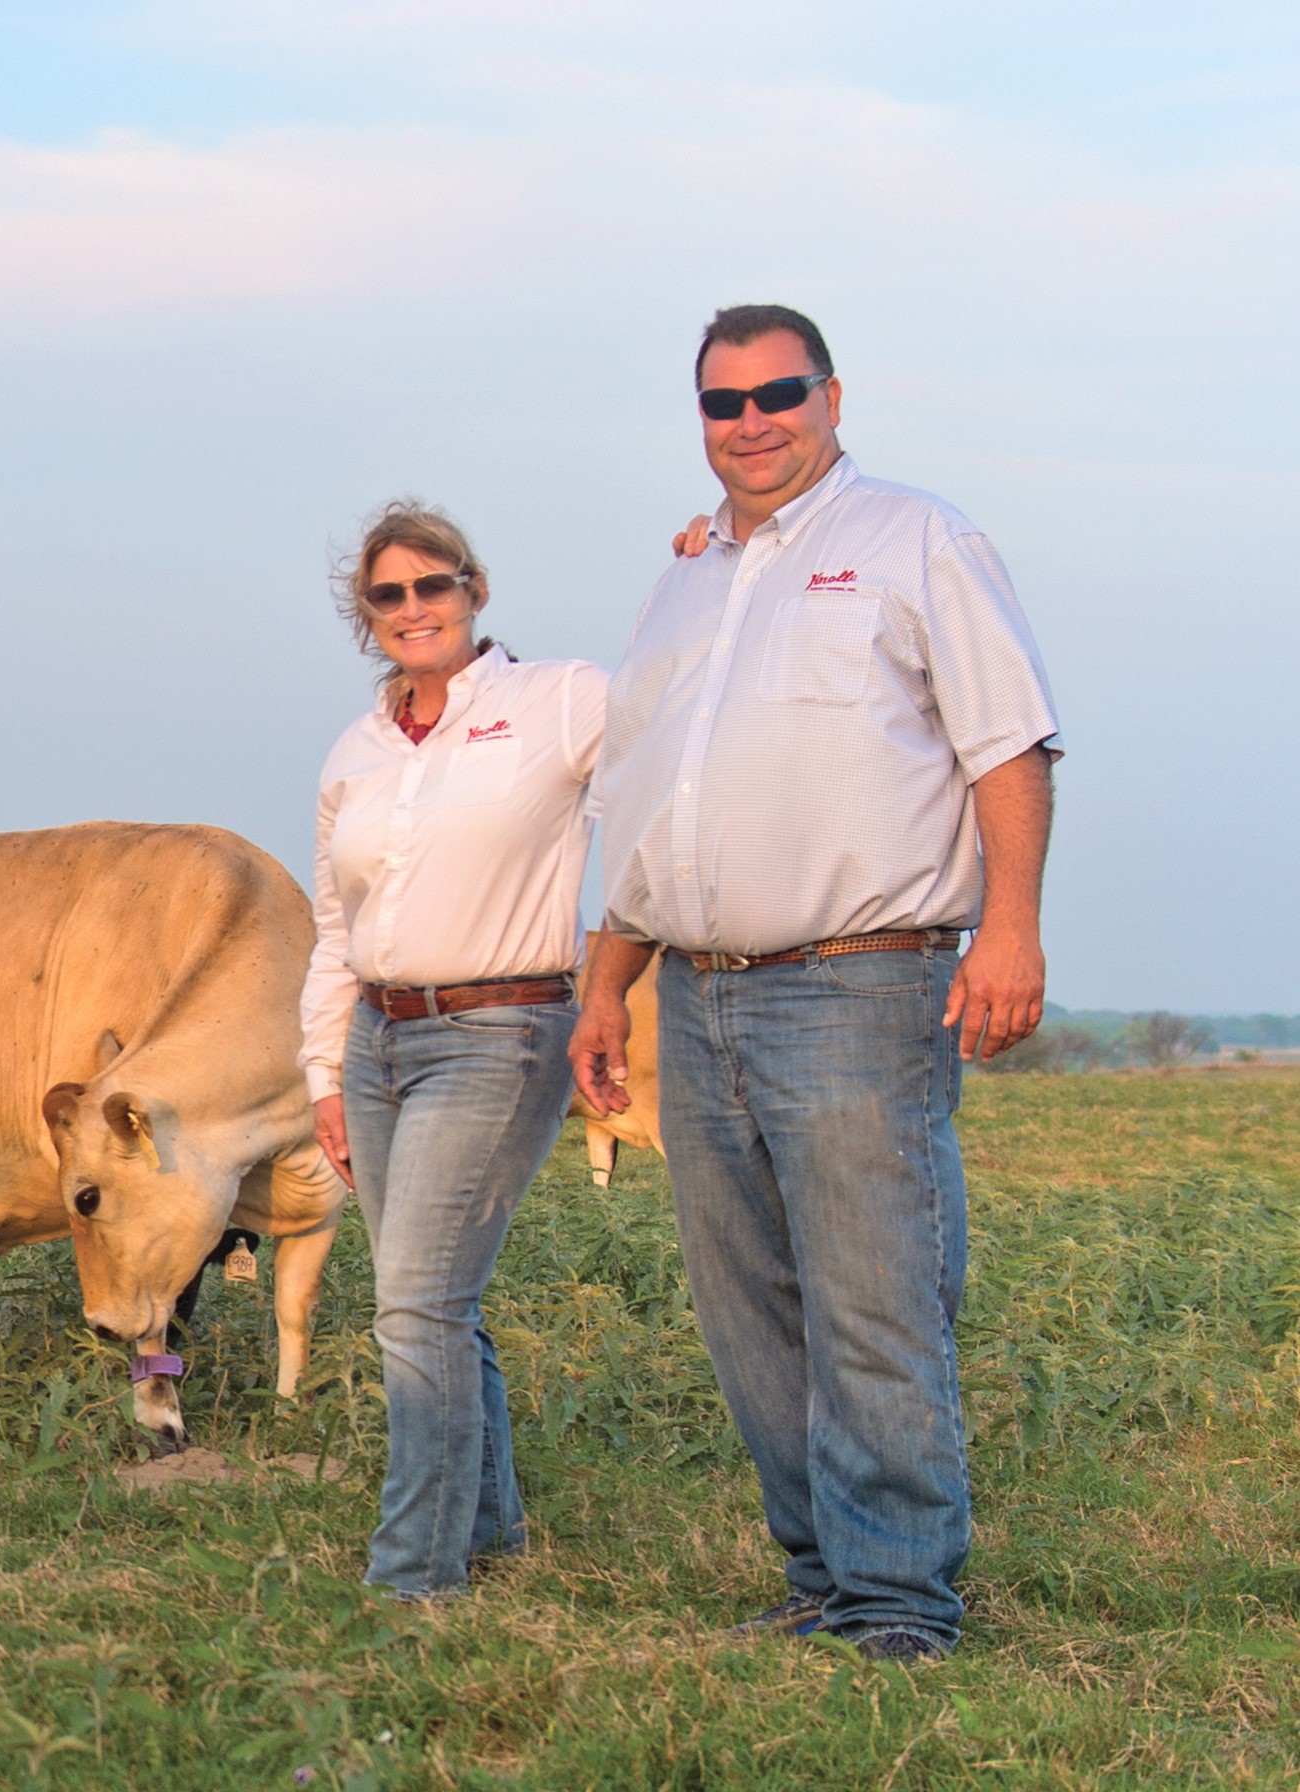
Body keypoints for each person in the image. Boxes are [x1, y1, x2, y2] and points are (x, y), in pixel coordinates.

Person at [572, 304, 1061, 1662]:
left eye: (778, 392)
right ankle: (821, 1579)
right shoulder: (683, 581)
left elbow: (1010, 746)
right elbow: (650, 805)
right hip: (698, 990)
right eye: (722, 403)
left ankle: (901, 1606)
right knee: (750, 1315)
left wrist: (1008, 928)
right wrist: (608, 987)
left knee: (874, 1297)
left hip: (857, 983)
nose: (752, 421)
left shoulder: (917, 540)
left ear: (833, 397)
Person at [302, 500, 607, 1598]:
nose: (414, 607)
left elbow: (669, 770)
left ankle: (412, 1579)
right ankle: (485, 1527)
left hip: (500, 1027)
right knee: (429, 1292)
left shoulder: (561, 700)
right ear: (368, 616)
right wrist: (324, 1074)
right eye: (389, 593)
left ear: (474, 589)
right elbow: (339, 928)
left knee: (415, 1303)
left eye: (434, 584)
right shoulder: (358, 749)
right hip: (380, 1037)